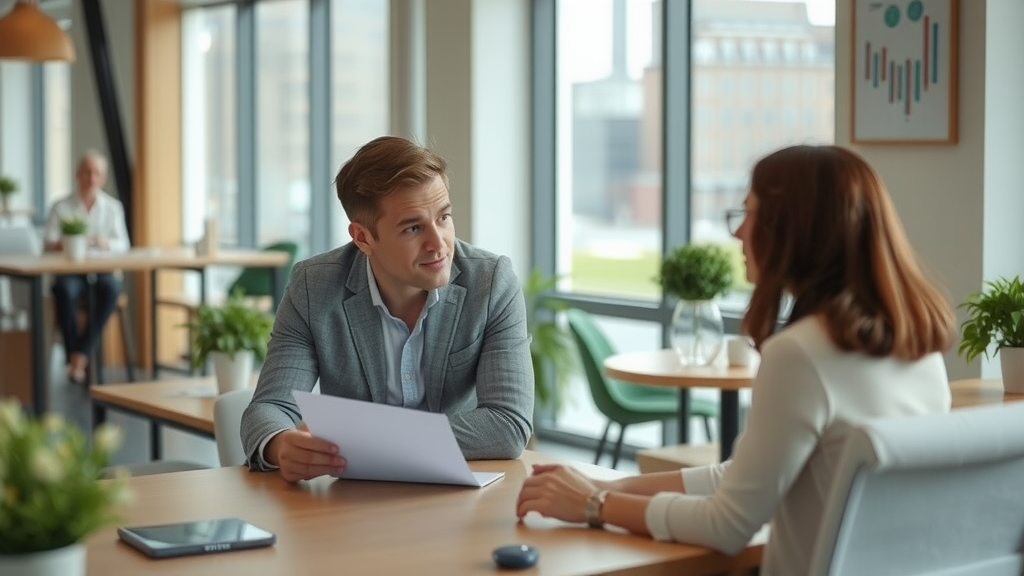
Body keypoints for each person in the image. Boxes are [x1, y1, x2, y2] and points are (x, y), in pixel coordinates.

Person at [514, 145, 956, 576]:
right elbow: (740, 477)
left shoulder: (800, 354)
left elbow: (728, 525)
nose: (737, 233)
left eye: (750, 214)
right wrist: (609, 486)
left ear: (791, 231)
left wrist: (594, 506)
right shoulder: (918, 350)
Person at [240, 135, 534, 482]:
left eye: (444, 217)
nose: (438, 244)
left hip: (465, 497)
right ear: (363, 238)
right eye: (413, 228)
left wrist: (361, 439)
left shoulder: (490, 282)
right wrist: (280, 443)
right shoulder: (313, 287)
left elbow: (507, 425)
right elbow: (269, 407)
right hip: (358, 504)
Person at [44, 150, 130, 384]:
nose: (91, 178)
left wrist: (104, 242)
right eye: (87, 172)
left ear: (103, 177)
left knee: (112, 290)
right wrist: (70, 241)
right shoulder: (60, 207)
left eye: (97, 173)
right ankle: (76, 355)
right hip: (70, 272)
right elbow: (49, 242)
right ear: (78, 174)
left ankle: (78, 354)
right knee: (63, 291)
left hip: (101, 271)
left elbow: (123, 243)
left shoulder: (113, 207)